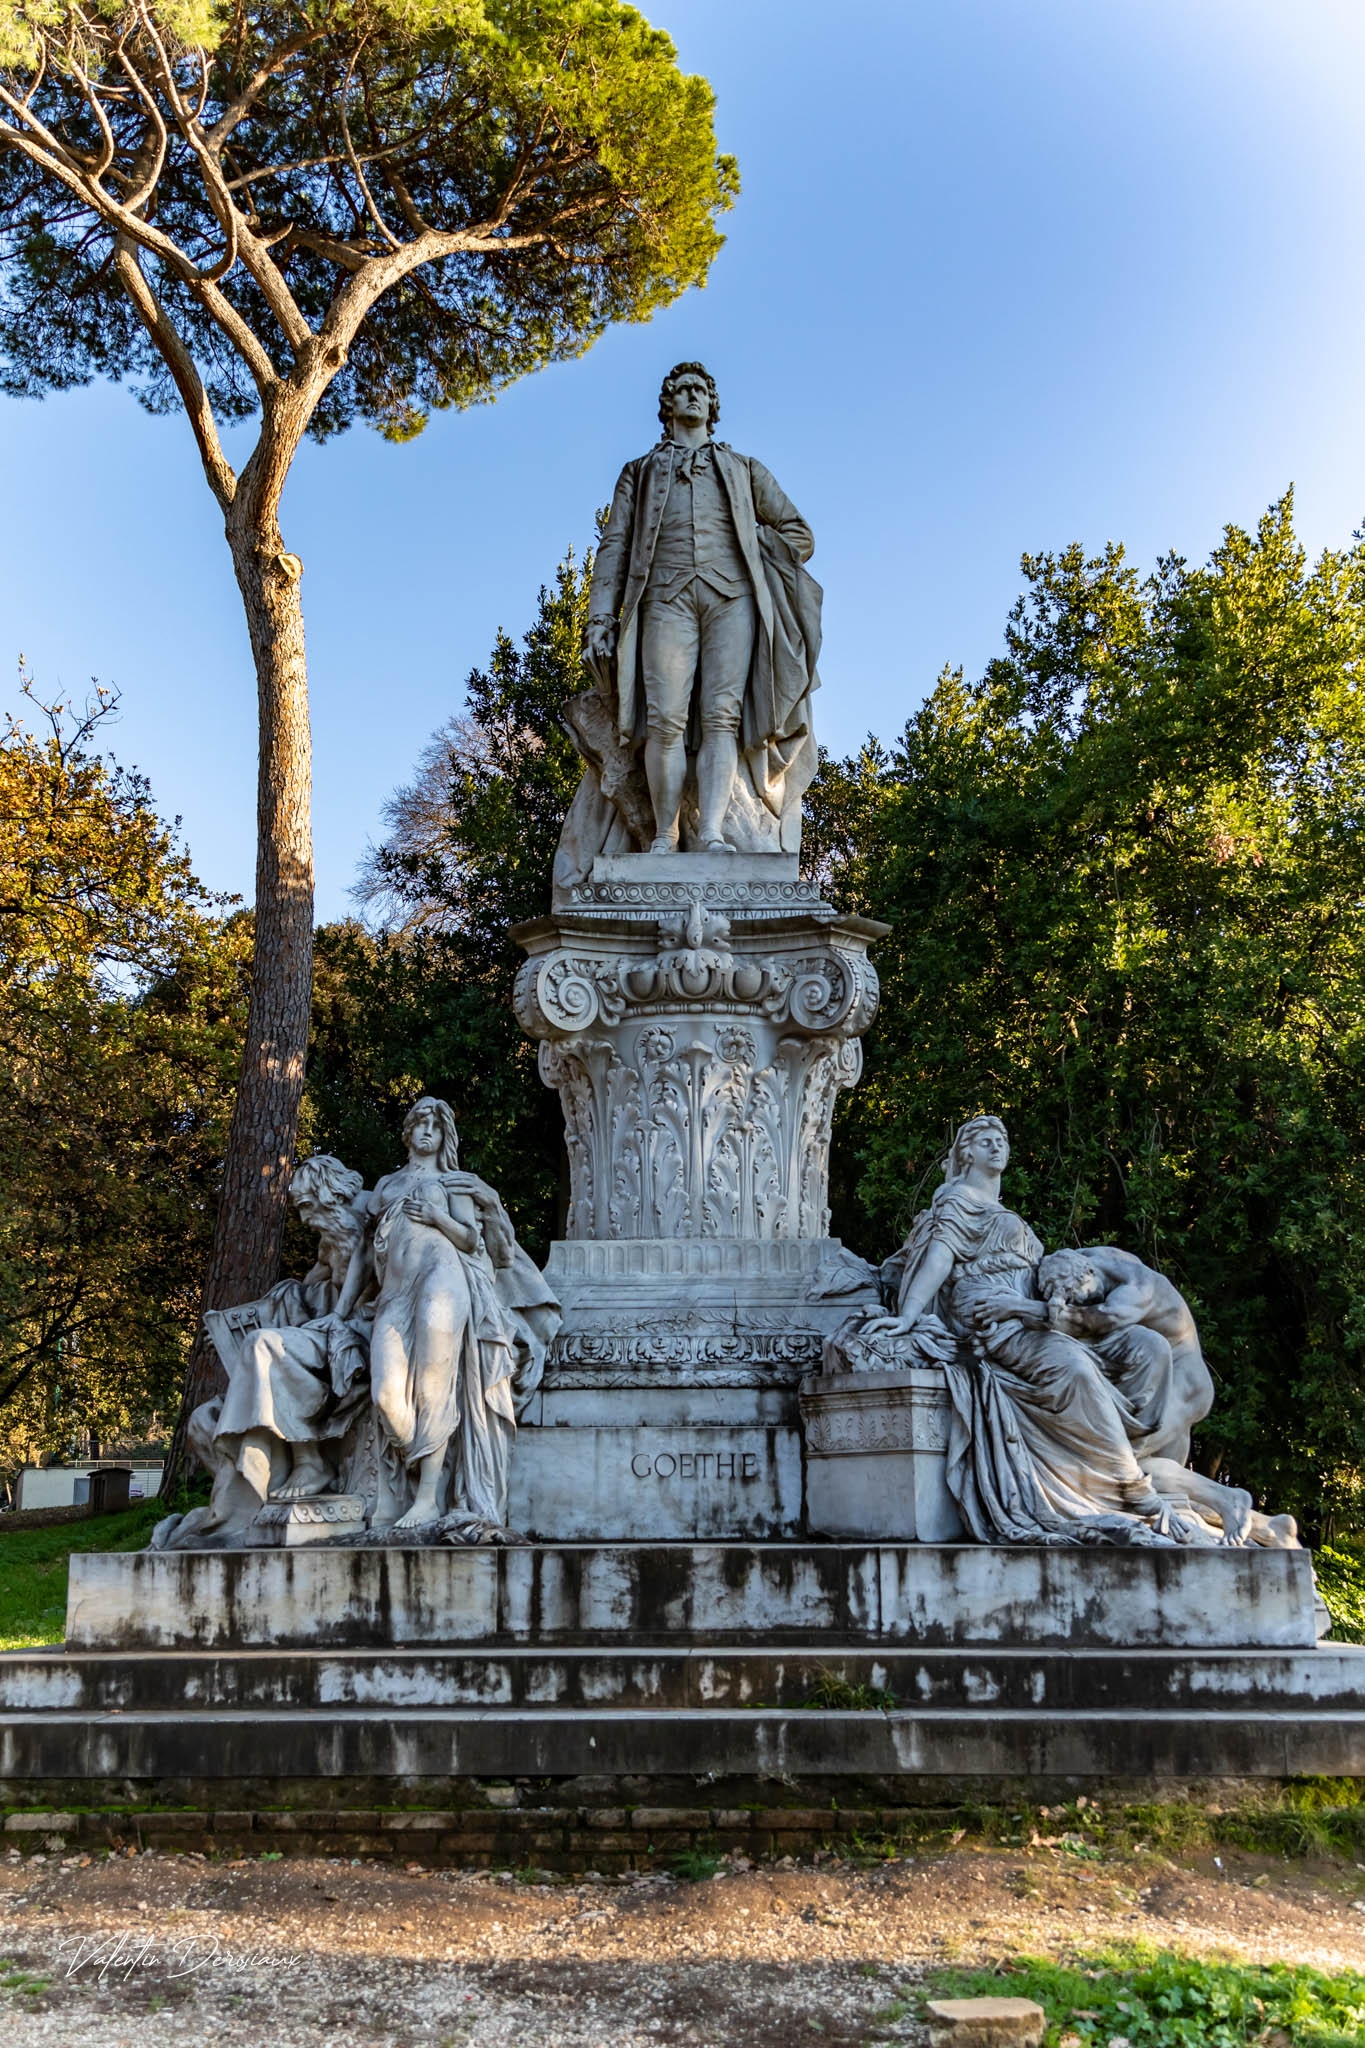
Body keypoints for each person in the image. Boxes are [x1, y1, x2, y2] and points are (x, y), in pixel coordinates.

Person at [866, 1116, 1197, 1545]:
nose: (997, 1148)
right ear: (966, 1153)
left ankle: (1121, 1458)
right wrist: (908, 1315)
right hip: (990, 1311)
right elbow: (938, 1261)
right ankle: (1129, 1488)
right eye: (986, 1142)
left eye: (1002, 1140)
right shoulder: (958, 1201)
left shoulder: (1007, 1214)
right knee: (1074, 1367)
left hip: (1034, 1312)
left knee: (1149, 1346)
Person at [555, 362, 822, 883]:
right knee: (665, 720)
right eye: (683, 390)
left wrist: (754, 547)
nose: (693, 397)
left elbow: (800, 535)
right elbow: (613, 546)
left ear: (713, 404)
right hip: (663, 601)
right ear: (668, 404)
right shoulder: (638, 472)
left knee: (722, 717)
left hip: (733, 599)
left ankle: (715, 834)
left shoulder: (744, 469)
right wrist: (599, 619)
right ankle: (664, 836)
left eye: (702, 390)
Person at [336, 1097, 559, 1533]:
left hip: (443, 1282)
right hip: (394, 1294)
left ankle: (427, 1497)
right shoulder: (385, 1186)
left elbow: (472, 1242)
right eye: (419, 1124)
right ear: (407, 1132)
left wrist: (438, 1217)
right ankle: (419, 1464)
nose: (426, 1133)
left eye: (434, 1128)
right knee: (386, 1393)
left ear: (444, 1137)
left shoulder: (456, 1183)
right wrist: (340, 1313)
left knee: (434, 1390)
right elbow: (363, 1256)